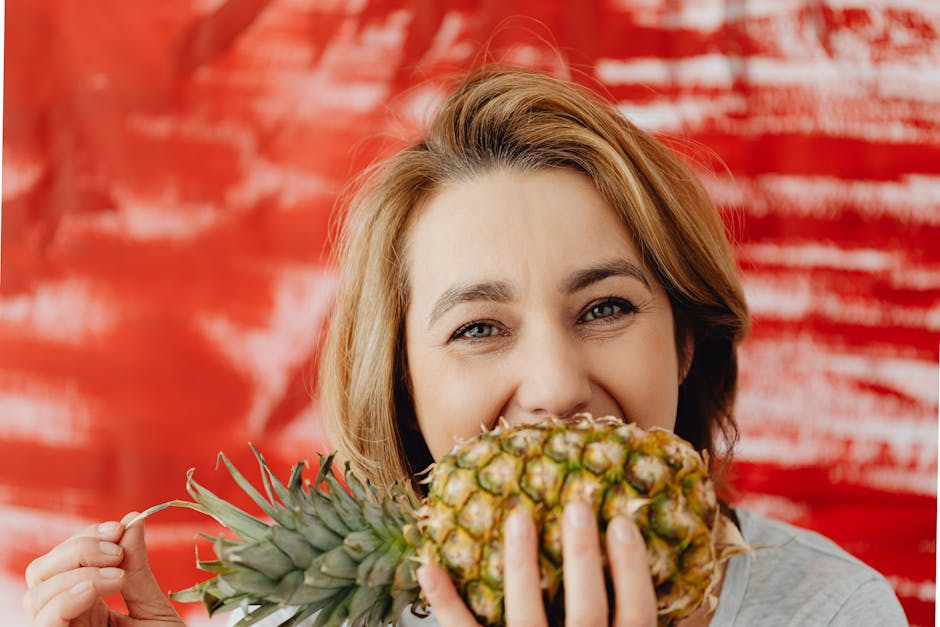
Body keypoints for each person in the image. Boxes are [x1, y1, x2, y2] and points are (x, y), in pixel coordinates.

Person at [24, 66, 907, 627]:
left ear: (685, 339)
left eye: (605, 307)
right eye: (479, 328)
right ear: (403, 386)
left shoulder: (829, 609)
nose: (556, 387)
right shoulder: (303, 615)